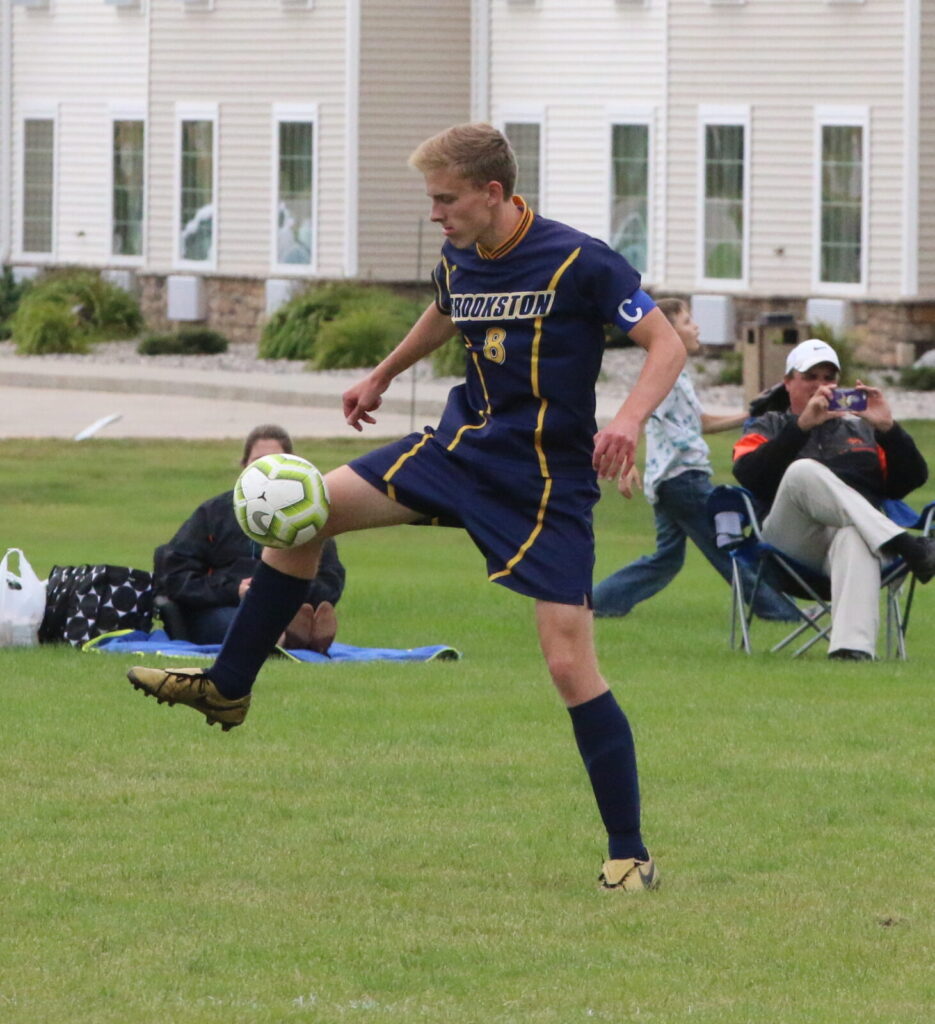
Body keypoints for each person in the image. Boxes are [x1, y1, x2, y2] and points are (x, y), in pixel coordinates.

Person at [127, 122, 687, 892]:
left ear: (492, 194)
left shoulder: (580, 260)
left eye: (445, 199)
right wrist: (382, 374)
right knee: (307, 513)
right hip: (460, 451)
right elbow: (447, 308)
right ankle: (228, 685)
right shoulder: (462, 251)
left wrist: (626, 420)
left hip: (543, 482)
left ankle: (629, 854)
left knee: (566, 663)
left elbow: (666, 346)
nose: (436, 214)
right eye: (433, 200)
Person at [732, 337, 935, 660]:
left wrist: (888, 428)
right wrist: (800, 428)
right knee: (802, 471)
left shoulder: (862, 429)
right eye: (810, 377)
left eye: (828, 378)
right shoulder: (768, 424)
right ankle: (905, 545)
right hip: (790, 542)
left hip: (852, 543)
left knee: (855, 535)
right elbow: (749, 475)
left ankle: (850, 651)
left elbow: (909, 480)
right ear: (787, 383)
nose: (820, 386)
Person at [593, 298, 794, 621]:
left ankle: (597, 602)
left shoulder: (678, 376)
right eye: (687, 322)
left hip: (669, 482)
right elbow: (639, 414)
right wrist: (628, 463)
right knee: (729, 549)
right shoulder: (663, 376)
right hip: (682, 479)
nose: (696, 326)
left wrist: (753, 413)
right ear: (668, 332)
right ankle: (782, 613)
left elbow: (702, 423)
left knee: (666, 559)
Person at [157, 424, 345, 653]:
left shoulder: (307, 516)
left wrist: (281, 591)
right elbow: (174, 577)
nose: (267, 472)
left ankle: (295, 634)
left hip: (286, 607)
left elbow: (331, 581)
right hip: (221, 609)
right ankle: (293, 640)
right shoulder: (212, 514)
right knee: (237, 620)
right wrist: (234, 589)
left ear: (292, 466)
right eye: (259, 463)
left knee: (284, 611)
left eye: (276, 462)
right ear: (243, 466)